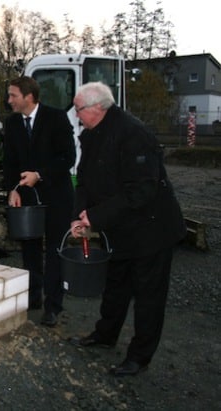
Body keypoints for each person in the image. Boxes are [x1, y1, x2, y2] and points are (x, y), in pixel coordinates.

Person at [67, 82, 186, 376]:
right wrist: (77, 217)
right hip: (118, 227)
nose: (75, 114)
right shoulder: (92, 134)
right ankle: (105, 334)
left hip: (150, 232)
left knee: (148, 297)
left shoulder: (133, 134)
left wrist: (95, 216)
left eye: (78, 109)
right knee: (115, 287)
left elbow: (141, 190)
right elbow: (83, 180)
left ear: (96, 108)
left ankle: (139, 356)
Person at [2, 76, 76, 327]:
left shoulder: (56, 118)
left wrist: (39, 175)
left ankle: (52, 305)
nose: (8, 100)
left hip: (57, 197)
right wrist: (12, 190)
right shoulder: (11, 125)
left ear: (28, 96)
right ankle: (33, 297)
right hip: (27, 198)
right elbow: (10, 163)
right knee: (29, 249)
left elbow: (68, 157)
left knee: (55, 250)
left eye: (12, 95)